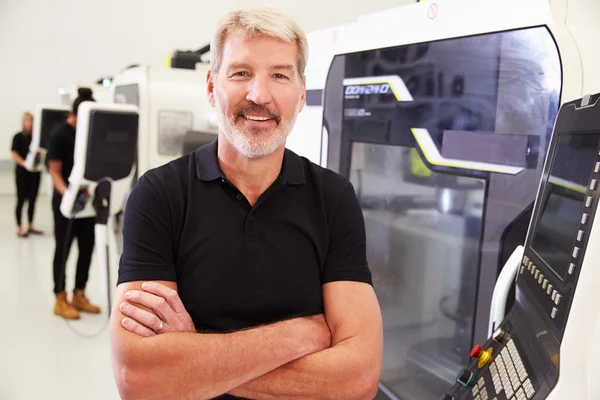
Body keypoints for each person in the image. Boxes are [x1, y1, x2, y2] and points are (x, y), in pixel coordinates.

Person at [110, 7, 383, 400]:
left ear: (302, 92)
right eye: (241, 73)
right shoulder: (158, 195)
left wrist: (192, 358)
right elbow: (138, 379)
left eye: (279, 75)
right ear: (210, 85)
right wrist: (301, 334)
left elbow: (358, 379)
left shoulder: (333, 199)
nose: (259, 95)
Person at [47, 88, 101, 320]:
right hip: (65, 202)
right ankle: (60, 297)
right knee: (64, 248)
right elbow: (55, 172)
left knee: (87, 248)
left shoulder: (87, 133)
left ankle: (80, 293)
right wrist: (68, 196)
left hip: (87, 202)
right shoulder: (60, 135)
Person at [11, 112, 43, 237]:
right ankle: (19, 227)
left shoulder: (37, 138)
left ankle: (30, 224)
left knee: (33, 200)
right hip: (22, 173)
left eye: (31, 121)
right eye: (27, 121)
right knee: (21, 199)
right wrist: (25, 163)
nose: (29, 124)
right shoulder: (18, 137)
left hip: (34, 173)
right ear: (23, 122)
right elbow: (14, 154)